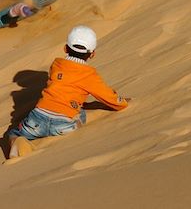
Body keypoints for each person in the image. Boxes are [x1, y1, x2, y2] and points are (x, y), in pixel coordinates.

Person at [7, 25, 130, 159]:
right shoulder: (90, 75)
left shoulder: (56, 64)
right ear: (93, 54)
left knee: (13, 133)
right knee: (80, 112)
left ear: (65, 48)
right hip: (64, 124)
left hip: (37, 119)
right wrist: (122, 102)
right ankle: (75, 125)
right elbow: (108, 97)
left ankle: (17, 144)